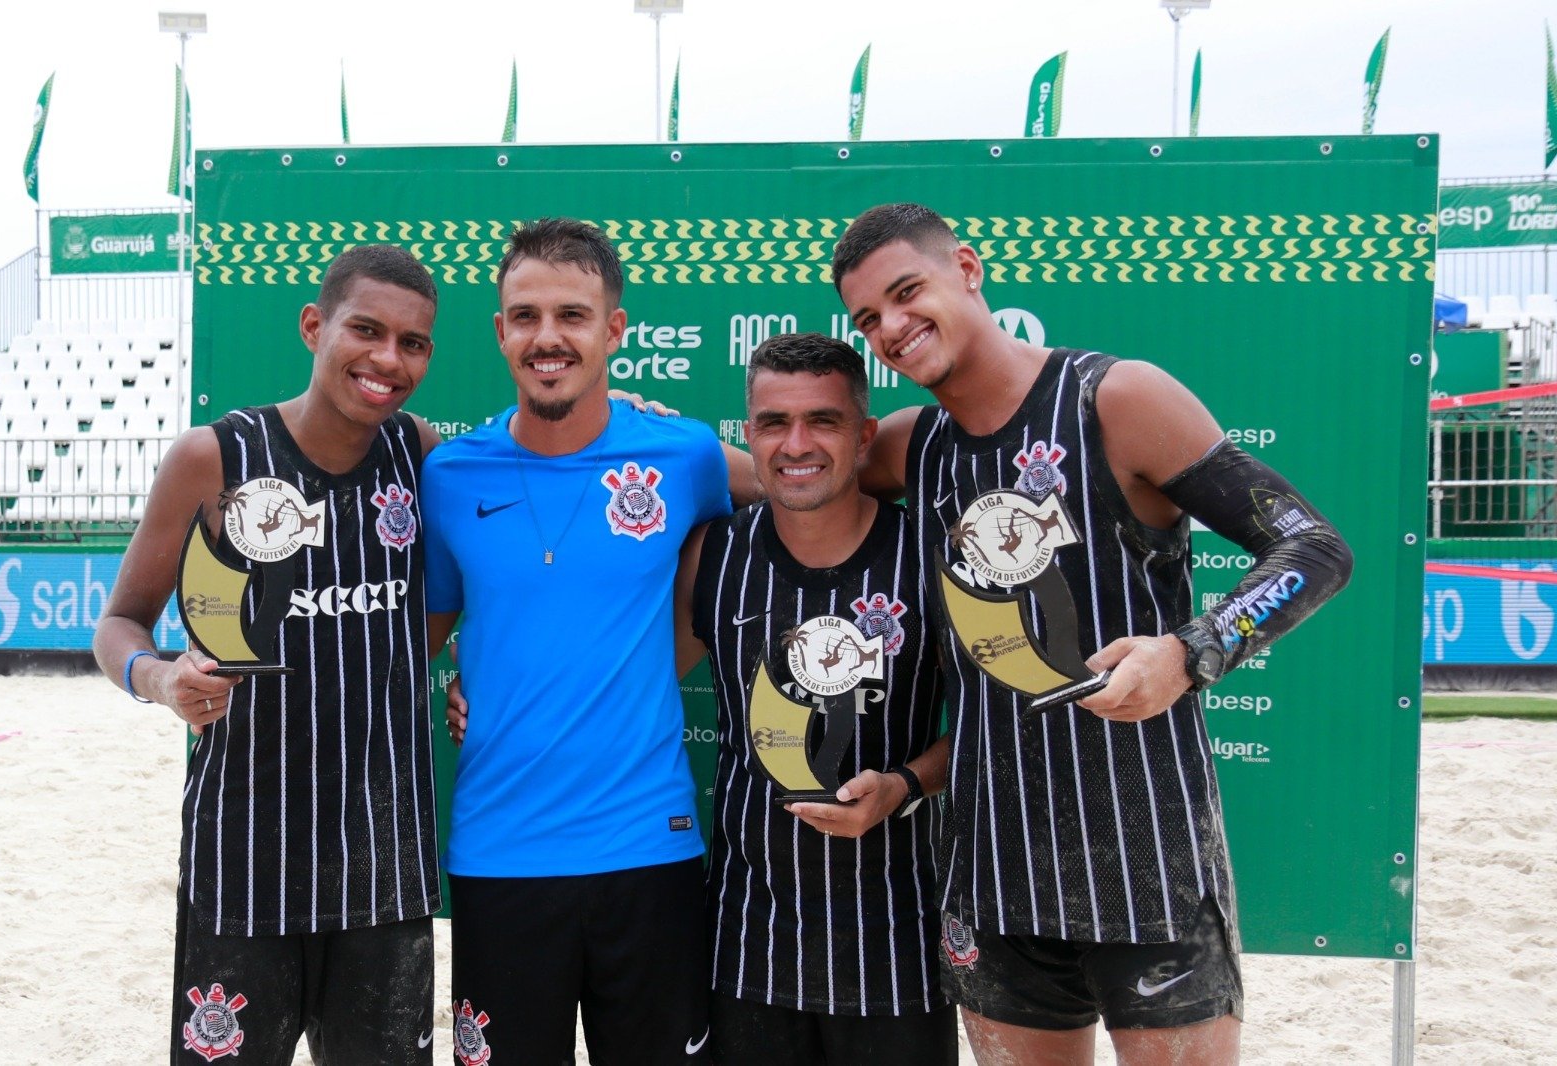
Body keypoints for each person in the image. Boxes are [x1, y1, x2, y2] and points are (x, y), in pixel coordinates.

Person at [830, 203, 1355, 1066]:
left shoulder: (1116, 399)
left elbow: (1315, 546)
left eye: (906, 292)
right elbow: (789, 474)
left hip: (1147, 862)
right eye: (867, 318)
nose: (890, 327)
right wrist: (634, 421)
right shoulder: (911, 445)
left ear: (966, 267)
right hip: (993, 870)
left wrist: (1190, 652)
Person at [93, 244, 444, 1065]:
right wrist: (161, 679)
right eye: (366, 329)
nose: (388, 359)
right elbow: (119, 624)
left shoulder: (420, 454)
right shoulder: (213, 457)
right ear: (314, 326)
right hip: (244, 860)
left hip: (383, 875)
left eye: (413, 342)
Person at [420, 217, 758, 1065]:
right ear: (499, 331)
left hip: (652, 846)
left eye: (573, 315)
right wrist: (476, 676)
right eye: (525, 316)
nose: (547, 337)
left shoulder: (685, 456)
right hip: (500, 855)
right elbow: (425, 638)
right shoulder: (451, 475)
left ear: (613, 330)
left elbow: (813, 486)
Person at [673, 332, 956, 1065]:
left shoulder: (928, 556)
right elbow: (626, 682)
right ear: (748, 435)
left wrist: (903, 784)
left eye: (822, 421)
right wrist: (488, 700)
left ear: (864, 437)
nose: (796, 443)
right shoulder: (715, 554)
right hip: (747, 945)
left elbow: (997, 722)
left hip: (899, 947)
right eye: (774, 422)